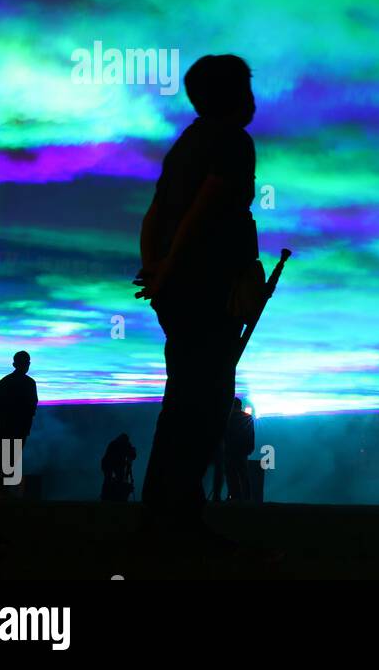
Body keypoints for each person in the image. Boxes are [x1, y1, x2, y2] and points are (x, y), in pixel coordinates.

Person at [134, 54, 263, 539]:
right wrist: (169, 266)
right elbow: (206, 207)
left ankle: (163, 508)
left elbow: (155, 212)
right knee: (206, 401)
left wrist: (156, 265)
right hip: (207, 286)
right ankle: (179, 516)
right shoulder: (233, 141)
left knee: (182, 396)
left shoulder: (186, 143)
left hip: (180, 288)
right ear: (234, 95)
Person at [0, 350, 38, 496]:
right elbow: (32, 406)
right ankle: (5, 489)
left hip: (7, 426)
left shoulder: (4, 382)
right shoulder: (30, 383)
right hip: (21, 427)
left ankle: (2, 489)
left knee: (5, 458)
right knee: (13, 458)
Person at [223, 398, 255, 501]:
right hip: (242, 451)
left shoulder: (228, 418)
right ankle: (246, 498)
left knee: (231, 475)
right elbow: (251, 435)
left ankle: (233, 496)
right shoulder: (247, 417)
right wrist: (249, 449)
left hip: (230, 451)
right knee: (243, 476)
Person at [101, 434, 138, 502]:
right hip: (109, 463)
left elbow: (132, 455)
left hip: (112, 464)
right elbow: (131, 455)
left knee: (117, 479)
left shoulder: (120, 444)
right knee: (109, 479)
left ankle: (114, 497)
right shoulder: (116, 444)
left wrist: (131, 454)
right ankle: (108, 497)